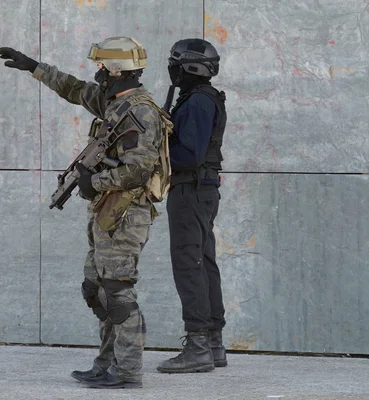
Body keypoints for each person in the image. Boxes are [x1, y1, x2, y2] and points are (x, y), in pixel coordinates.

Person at [0, 36, 167, 389]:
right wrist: (34, 67)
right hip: (108, 213)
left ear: (116, 71)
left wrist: (96, 182)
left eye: (102, 67)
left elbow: (137, 170)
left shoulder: (139, 111)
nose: (98, 73)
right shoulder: (116, 103)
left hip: (125, 214)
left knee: (118, 292)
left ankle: (129, 370)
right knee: (98, 289)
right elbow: (75, 90)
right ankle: (106, 363)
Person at [156, 38, 228, 374]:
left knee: (189, 263)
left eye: (175, 62)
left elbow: (189, 155)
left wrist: (158, 145)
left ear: (188, 66)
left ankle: (199, 345)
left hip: (191, 190)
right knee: (203, 262)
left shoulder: (198, 102)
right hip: (201, 189)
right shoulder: (198, 99)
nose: (171, 68)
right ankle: (213, 344)